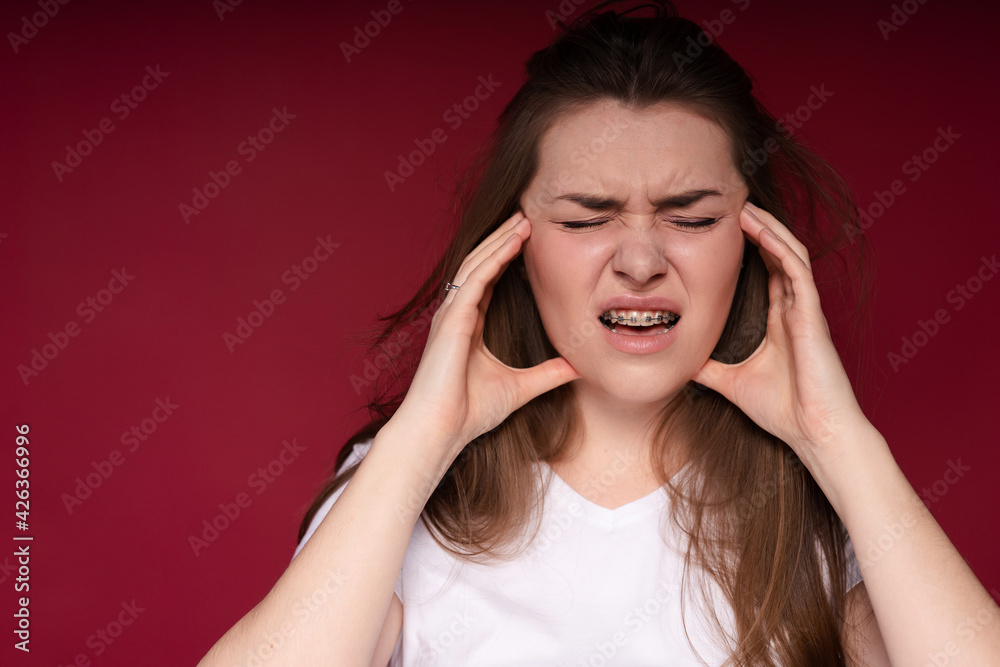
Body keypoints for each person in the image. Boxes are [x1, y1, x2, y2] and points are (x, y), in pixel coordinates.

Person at [198, 2, 1000, 665]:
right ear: (515, 247)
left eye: (691, 216)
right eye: (588, 216)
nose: (642, 261)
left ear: (753, 241)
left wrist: (838, 439)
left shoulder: (824, 504)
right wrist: (421, 439)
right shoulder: (403, 484)